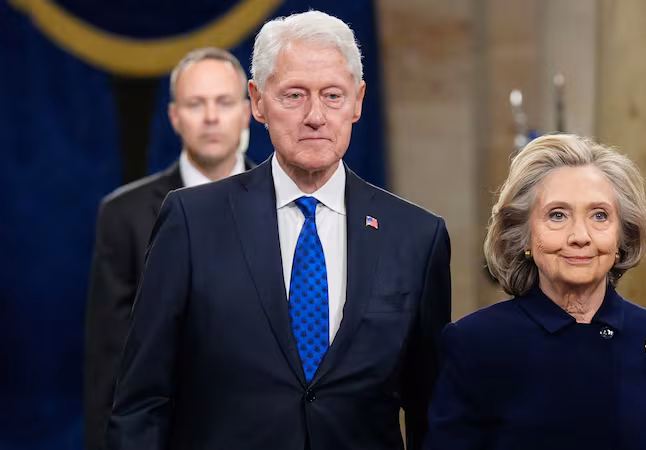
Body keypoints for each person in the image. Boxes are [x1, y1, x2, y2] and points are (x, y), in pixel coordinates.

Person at [105, 10, 451, 450]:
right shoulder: (191, 221)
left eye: (332, 95)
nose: (315, 116)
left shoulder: (417, 237)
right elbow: (141, 401)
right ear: (258, 100)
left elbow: (433, 412)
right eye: (293, 95)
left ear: (359, 101)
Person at [425, 134, 646, 450]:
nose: (580, 236)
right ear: (523, 234)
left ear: (622, 236)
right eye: (557, 215)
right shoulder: (474, 343)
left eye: (599, 215)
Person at [83, 46, 255, 450]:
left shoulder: (287, 203)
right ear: (175, 116)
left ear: (248, 112)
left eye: (224, 102)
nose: (211, 117)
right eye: (196, 104)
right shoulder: (123, 214)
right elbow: (109, 357)